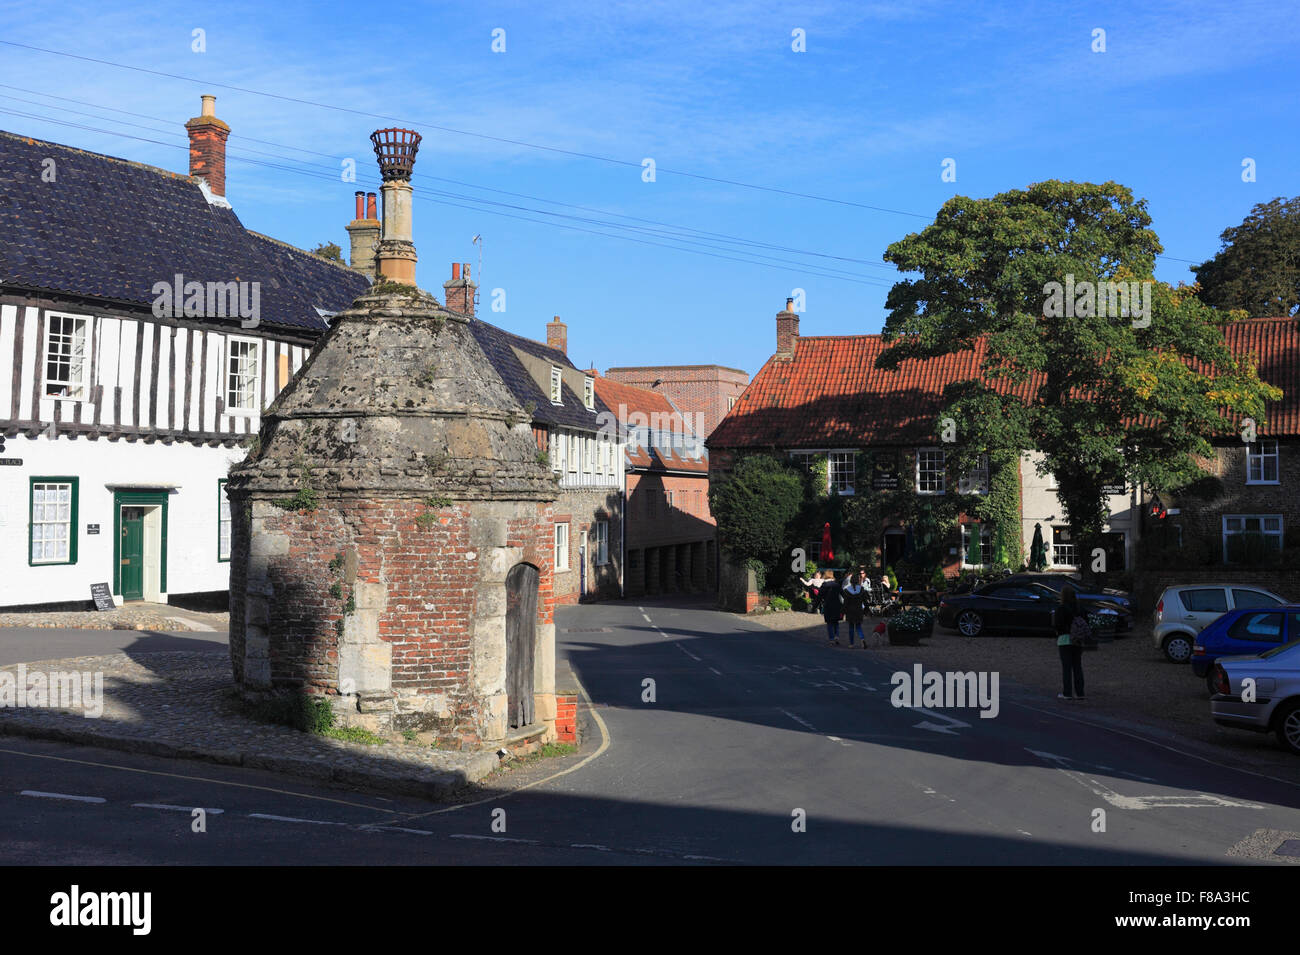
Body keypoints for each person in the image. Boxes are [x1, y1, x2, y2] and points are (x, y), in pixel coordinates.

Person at [1053, 583, 1086, 701]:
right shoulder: (1080, 608)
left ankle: (1067, 692)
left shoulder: (1061, 609)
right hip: (1078, 639)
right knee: (1077, 666)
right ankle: (1080, 692)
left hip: (1064, 639)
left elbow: (1057, 625)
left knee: (1066, 667)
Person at [841, 572, 866, 647]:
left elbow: (845, 603)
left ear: (851, 581)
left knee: (851, 627)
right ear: (858, 581)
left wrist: (843, 611)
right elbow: (865, 601)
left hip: (850, 610)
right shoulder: (861, 589)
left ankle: (851, 644)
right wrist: (867, 609)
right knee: (858, 627)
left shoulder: (847, 590)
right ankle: (862, 639)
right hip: (859, 609)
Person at [821, 571, 843, 645]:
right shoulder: (837, 585)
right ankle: (837, 636)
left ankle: (831, 639)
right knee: (836, 622)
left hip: (828, 606)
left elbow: (819, 597)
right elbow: (843, 594)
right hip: (837, 605)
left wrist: (814, 607)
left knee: (830, 623)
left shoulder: (824, 585)